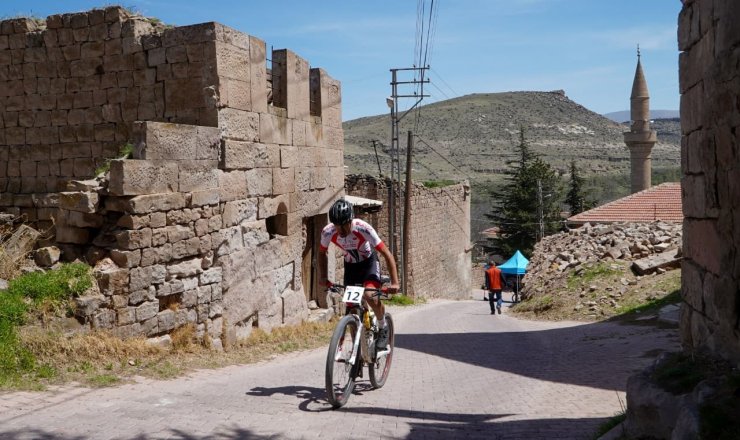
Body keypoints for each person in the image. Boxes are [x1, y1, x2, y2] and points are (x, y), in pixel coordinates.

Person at [318, 199, 400, 350]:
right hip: (351, 267)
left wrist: (395, 282)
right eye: (337, 225)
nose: (341, 230)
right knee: (350, 306)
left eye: (344, 225)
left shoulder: (363, 228)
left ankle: (383, 327)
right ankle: (358, 347)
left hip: (368, 263)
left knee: (369, 296)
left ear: (351, 220)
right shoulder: (328, 231)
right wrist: (323, 277)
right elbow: (321, 253)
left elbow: (386, 253)